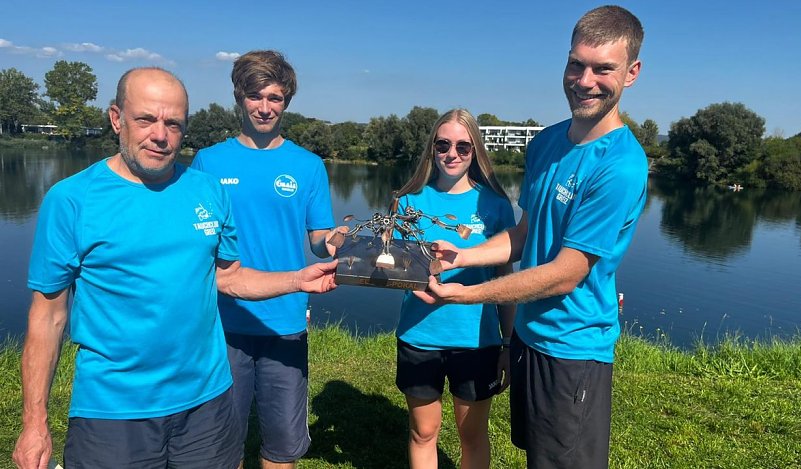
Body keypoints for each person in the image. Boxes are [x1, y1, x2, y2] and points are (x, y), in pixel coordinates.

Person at [12, 67, 337, 469]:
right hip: (114, 409)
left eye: (173, 123)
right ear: (117, 118)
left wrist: (297, 279)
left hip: (207, 403)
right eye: (145, 119)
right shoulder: (71, 200)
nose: (160, 135)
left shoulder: (208, 190)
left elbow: (228, 275)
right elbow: (48, 314)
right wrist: (34, 422)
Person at [416, 6, 648, 468]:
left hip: (572, 350)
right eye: (576, 64)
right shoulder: (545, 143)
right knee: (536, 455)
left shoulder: (620, 165)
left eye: (604, 69)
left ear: (632, 72)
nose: (585, 80)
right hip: (527, 336)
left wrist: (465, 295)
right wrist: (463, 254)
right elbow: (524, 235)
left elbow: (565, 275)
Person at [191, 50, 338, 469]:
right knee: (223, 444)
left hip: (285, 320)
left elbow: (319, 238)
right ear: (239, 98)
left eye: (275, 97)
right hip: (223, 322)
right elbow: (196, 240)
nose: (265, 107)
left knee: (281, 447)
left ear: (286, 101)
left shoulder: (308, 166)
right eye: (256, 96)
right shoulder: (209, 162)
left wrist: (340, 241)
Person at [393, 109, 516, 468]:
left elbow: (504, 278)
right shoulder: (408, 201)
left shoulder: (493, 204)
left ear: (475, 151)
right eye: (443, 144)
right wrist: (409, 283)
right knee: (423, 432)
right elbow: (394, 265)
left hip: (477, 341)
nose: (452, 154)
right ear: (432, 148)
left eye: (463, 147)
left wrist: (507, 342)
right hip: (419, 337)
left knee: (472, 435)